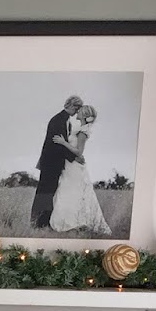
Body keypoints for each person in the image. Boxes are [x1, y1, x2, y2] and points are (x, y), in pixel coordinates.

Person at [49, 104, 111, 235]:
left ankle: (73, 222)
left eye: (80, 111)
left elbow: (79, 151)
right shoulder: (79, 128)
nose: (77, 111)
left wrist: (63, 142)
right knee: (68, 191)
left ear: (84, 115)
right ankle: (72, 221)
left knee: (70, 191)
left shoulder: (83, 132)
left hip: (74, 167)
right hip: (70, 164)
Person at [30, 94, 83, 229]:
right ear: (70, 105)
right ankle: (39, 223)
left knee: (47, 192)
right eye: (76, 108)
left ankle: (41, 222)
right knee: (45, 192)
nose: (77, 111)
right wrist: (74, 157)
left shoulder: (63, 120)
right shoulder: (58, 120)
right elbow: (57, 145)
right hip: (51, 163)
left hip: (52, 162)